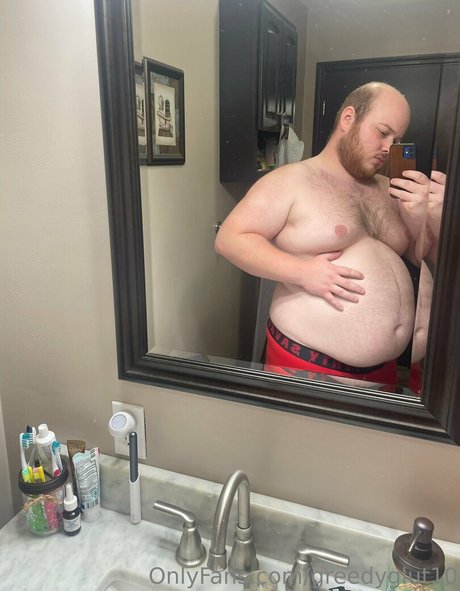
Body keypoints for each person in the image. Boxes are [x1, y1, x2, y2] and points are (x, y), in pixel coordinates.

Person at [215, 81, 430, 385]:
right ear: (348, 118)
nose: (388, 148)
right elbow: (229, 239)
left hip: (385, 372)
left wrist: (422, 218)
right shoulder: (291, 180)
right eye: (383, 132)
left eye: (397, 139)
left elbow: (420, 258)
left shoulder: (389, 190)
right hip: (307, 365)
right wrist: (302, 272)